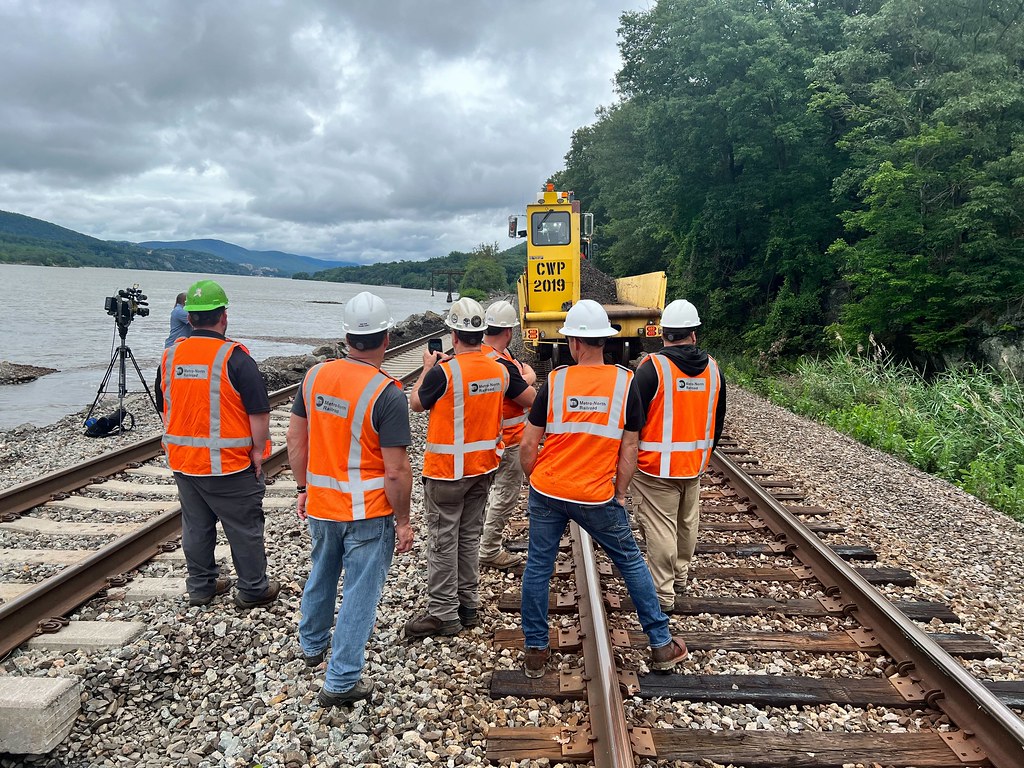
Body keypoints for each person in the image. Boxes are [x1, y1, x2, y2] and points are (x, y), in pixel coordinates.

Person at [518, 300, 688, 678]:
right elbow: (631, 448)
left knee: (539, 565)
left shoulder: (556, 381)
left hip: (549, 490)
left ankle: (535, 649)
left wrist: (536, 479)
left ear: (575, 343)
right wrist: (620, 493)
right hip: (596, 495)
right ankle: (661, 644)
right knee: (629, 560)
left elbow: (528, 445)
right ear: (604, 342)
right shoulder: (627, 384)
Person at [286, 292, 414, 707]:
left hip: (322, 506)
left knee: (321, 572)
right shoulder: (388, 394)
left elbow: (295, 440)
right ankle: (341, 681)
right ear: (387, 338)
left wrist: (303, 489)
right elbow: (395, 471)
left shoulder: (315, 377)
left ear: (346, 336)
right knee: (360, 592)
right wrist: (403, 520)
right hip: (367, 514)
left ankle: (311, 644)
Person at [156, 279, 279, 610]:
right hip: (229, 464)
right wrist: (257, 452)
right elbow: (259, 415)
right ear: (223, 317)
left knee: (195, 526)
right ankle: (253, 588)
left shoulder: (170, 357)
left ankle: (200, 586)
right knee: (244, 527)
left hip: (184, 461)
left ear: (190, 318)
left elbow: (162, 403)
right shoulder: (236, 359)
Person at [404, 297, 510, 639]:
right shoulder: (499, 370)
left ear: (453, 334)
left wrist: (425, 367)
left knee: (442, 541)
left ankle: (443, 613)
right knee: (468, 537)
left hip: (447, 473)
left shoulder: (442, 372)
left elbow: (416, 403)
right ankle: (468, 605)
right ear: (482, 333)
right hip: (483, 470)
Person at [630, 299, 726, 610]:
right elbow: (717, 421)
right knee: (686, 524)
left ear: (664, 335)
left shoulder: (652, 370)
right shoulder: (713, 369)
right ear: (694, 335)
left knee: (660, 529)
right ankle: (680, 576)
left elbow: (632, 421)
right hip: (693, 466)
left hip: (655, 469)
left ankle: (663, 593)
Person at [478, 300, 537, 569]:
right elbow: (529, 399)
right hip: (509, 440)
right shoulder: (503, 363)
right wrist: (530, 379)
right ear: (509, 331)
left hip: (483, 439)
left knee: (484, 494)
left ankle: (478, 542)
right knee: (505, 494)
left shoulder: (478, 354)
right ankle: (489, 549)